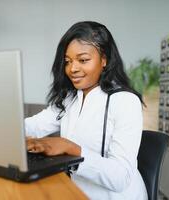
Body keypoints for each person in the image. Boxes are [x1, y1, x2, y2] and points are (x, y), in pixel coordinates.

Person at [25, 21, 148, 200]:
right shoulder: (70, 98)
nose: (72, 69)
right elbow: (34, 126)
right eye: (68, 61)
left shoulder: (125, 101)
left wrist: (71, 149)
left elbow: (120, 178)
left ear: (104, 59)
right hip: (76, 191)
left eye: (83, 60)